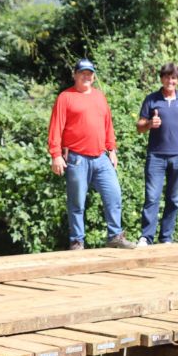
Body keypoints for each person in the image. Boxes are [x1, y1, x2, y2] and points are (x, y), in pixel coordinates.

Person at [47, 58, 135, 250]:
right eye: (82, 73)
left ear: (93, 77)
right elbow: (55, 127)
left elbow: (108, 125)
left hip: (101, 157)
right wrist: (56, 154)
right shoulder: (65, 97)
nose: (86, 76)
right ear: (75, 75)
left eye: (89, 73)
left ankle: (115, 236)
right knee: (77, 202)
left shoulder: (99, 96)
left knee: (114, 195)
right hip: (77, 157)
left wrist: (112, 149)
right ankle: (77, 241)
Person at [136, 63, 178, 246]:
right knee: (152, 197)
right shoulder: (151, 99)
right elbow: (139, 127)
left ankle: (166, 237)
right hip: (156, 156)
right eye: (166, 77)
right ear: (161, 79)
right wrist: (149, 123)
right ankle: (146, 236)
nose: (170, 81)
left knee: (174, 198)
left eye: (173, 78)